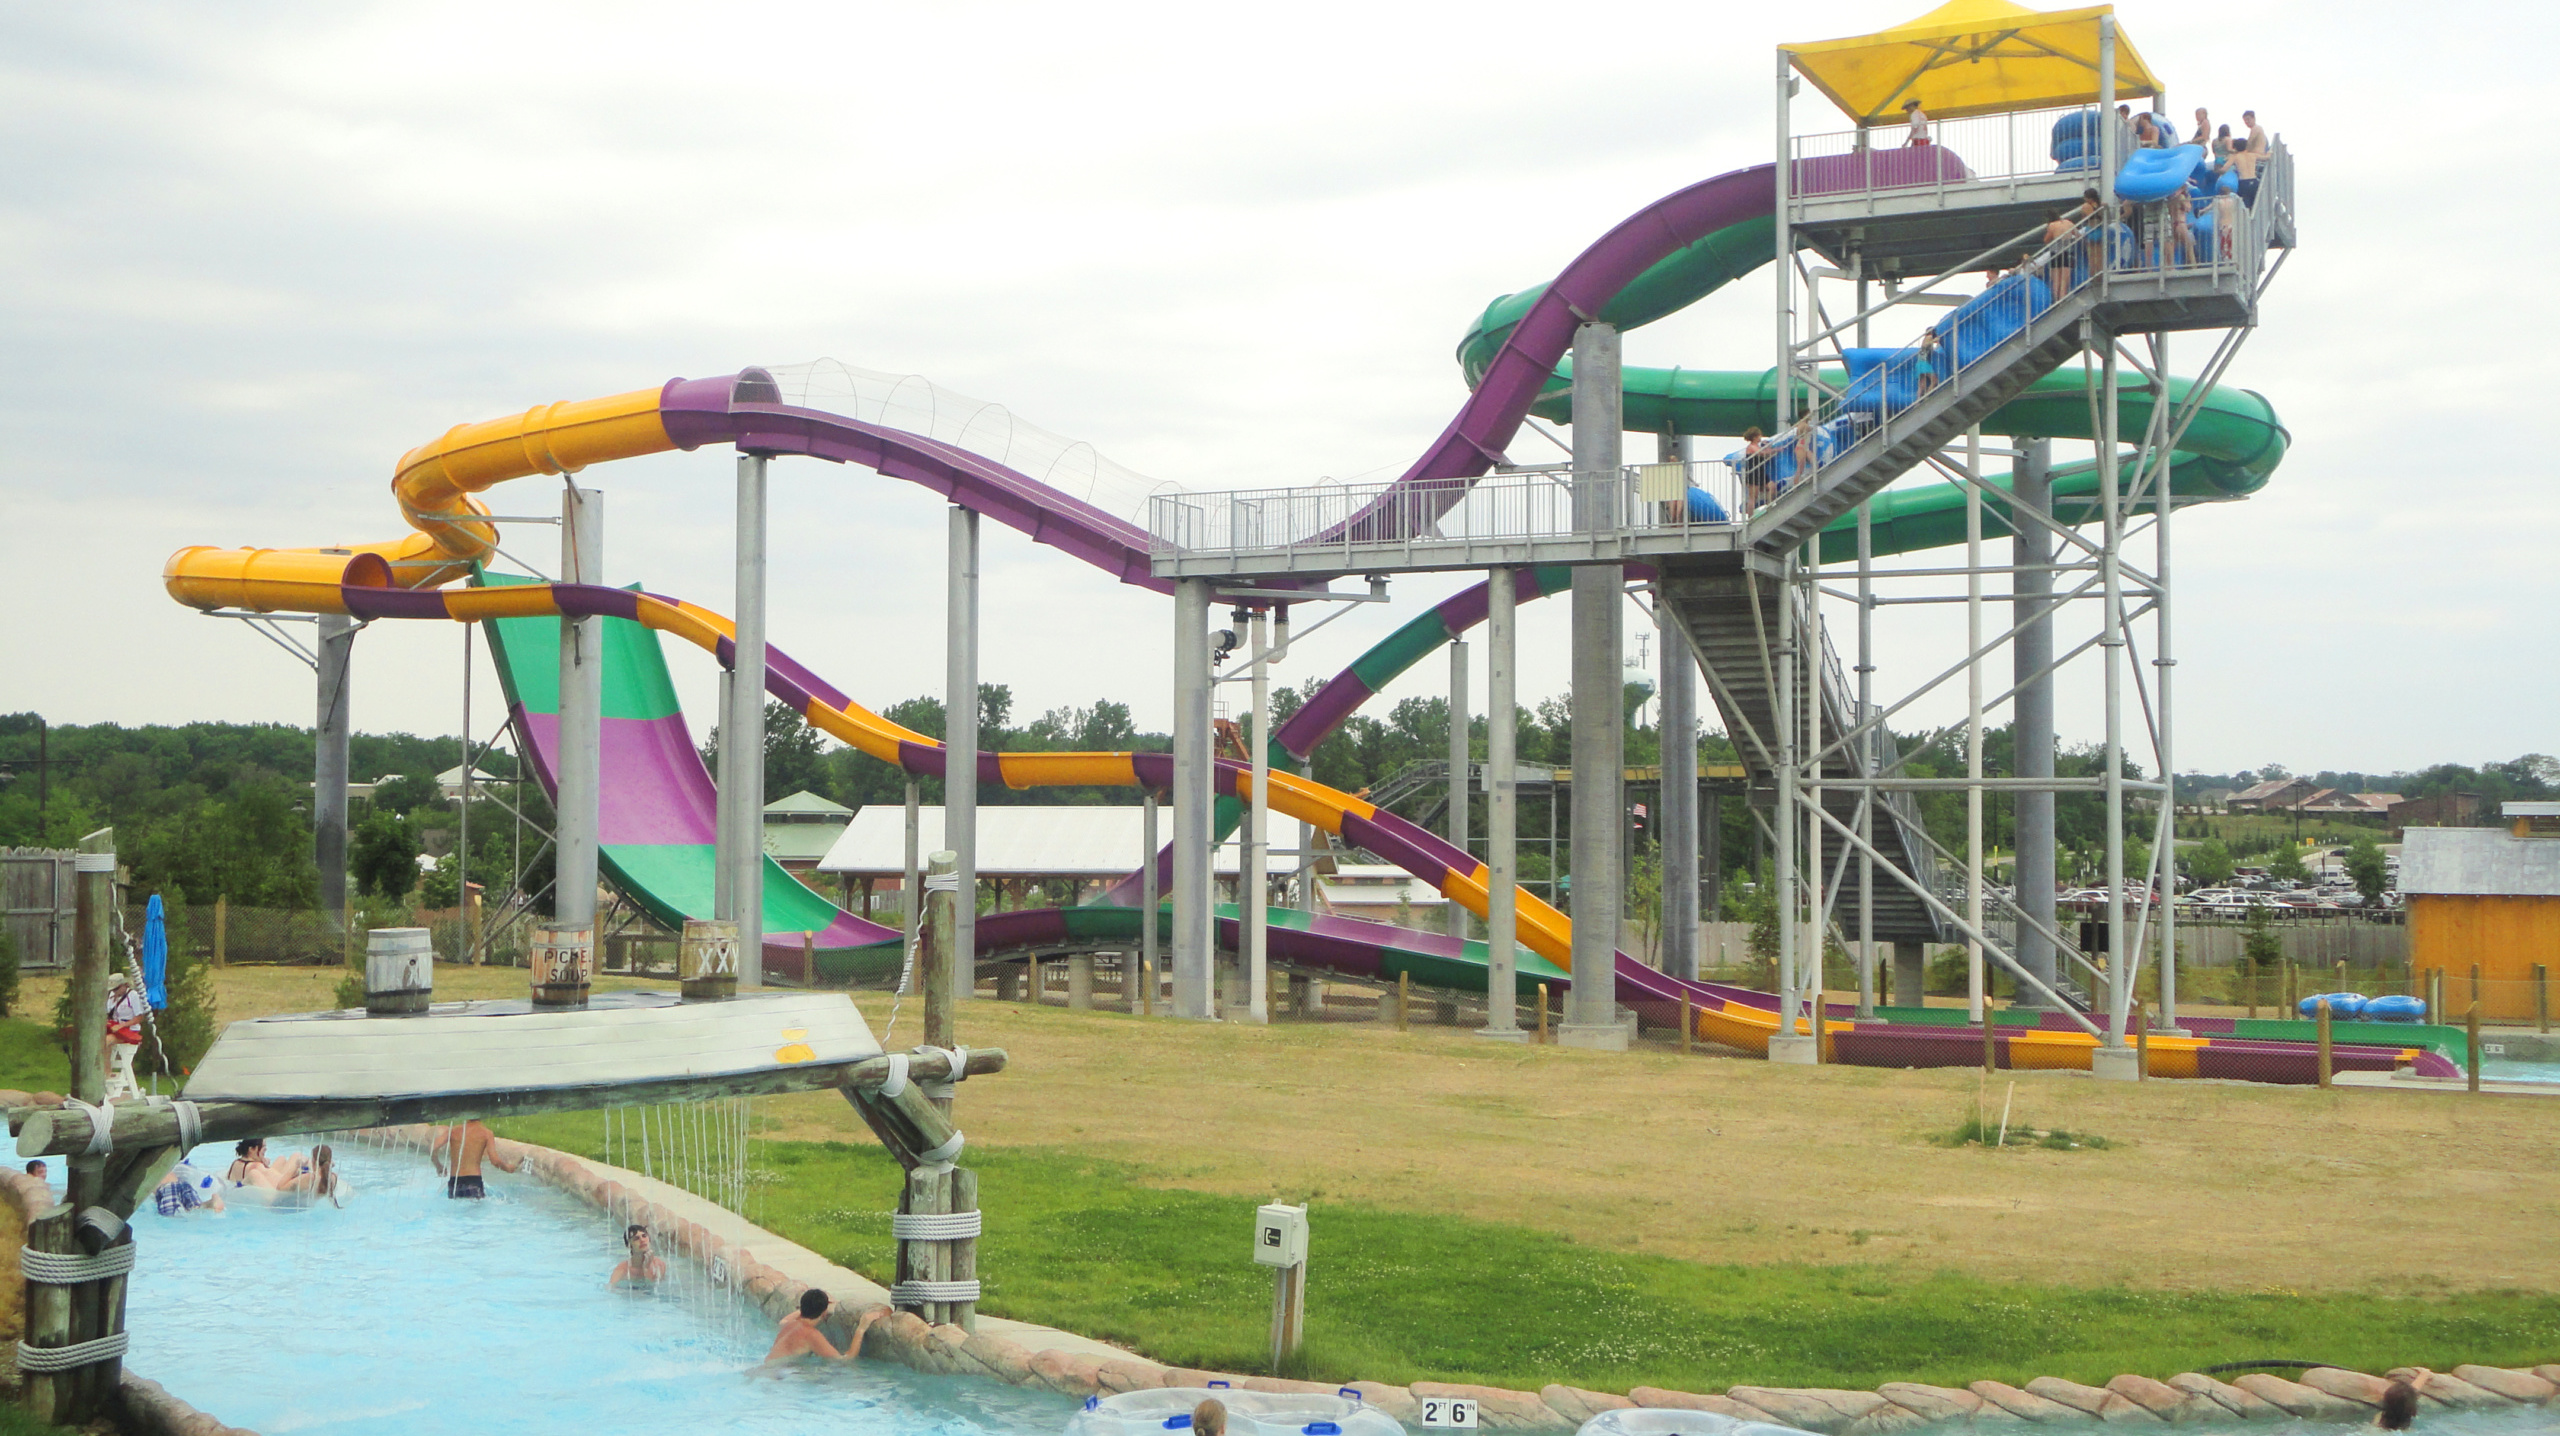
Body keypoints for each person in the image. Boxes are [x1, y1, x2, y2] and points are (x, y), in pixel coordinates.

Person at [762, 1288, 885, 1364]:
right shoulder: (811, 1335)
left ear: (801, 1307)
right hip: (778, 1376)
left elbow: (783, 1321)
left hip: (765, 1369)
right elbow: (844, 1360)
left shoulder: (789, 1325)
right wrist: (861, 1328)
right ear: (824, 1312)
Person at [428, 1118, 521, 1199]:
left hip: (455, 1182)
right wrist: (508, 1168)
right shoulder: (486, 1133)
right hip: (473, 1181)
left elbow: (433, 1147)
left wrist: (438, 1166)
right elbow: (495, 1161)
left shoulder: (454, 1130)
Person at [226, 1137, 307, 1190]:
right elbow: (281, 1183)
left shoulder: (236, 1163)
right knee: (297, 1156)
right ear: (251, 1149)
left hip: (240, 1185)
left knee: (281, 1159)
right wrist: (296, 1171)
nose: (266, 1149)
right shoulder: (256, 1167)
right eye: (263, 1146)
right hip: (272, 1189)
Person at [154, 1164, 224, 1216]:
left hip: (167, 1187)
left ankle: (209, 1204)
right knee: (194, 1209)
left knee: (173, 1216)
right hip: (183, 1184)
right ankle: (208, 1204)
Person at [610, 1224, 667, 1288]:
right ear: (629, 1245)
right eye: (636, 1238)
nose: (642, 1240)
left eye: (644, 1236)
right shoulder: (623, 1269)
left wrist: (646, 1268)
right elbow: (610, 1288)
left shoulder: (659, 1265)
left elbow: (655, 1289)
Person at [1738, 426, 1776, 509]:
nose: (1760, 437)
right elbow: (1762, 453)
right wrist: (1775, 450)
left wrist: (1769, 448)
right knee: (1753, 497)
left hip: (1760, 472)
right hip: (1753, 473)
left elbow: (1764, 454)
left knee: (1771, 486)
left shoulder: (1757, 446)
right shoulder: (1751, 447)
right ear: (1755, 437)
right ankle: (1750, 517)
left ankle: (1769, 506)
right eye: (1759, 435)